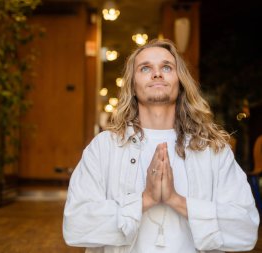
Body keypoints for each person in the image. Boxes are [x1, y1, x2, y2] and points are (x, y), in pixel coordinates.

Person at [63, 39, 259, 253]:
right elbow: (75, 225)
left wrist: (177, 201)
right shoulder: (104, 148)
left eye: (166, 67)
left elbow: (246, 229)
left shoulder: (212, 149)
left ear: (180, 82)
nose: (157, 74)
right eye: (145, 68)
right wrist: (145, 199)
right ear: (132, 86)